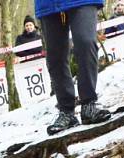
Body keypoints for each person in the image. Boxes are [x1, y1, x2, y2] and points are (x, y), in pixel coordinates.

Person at [35, 1, 112, 135]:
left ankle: (89, 104)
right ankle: (66, 112)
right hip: (48, 4)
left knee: (86, 42)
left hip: (82, 2)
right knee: (55, 56)